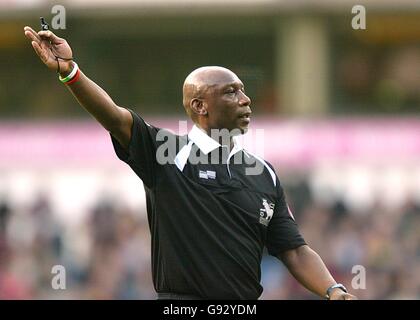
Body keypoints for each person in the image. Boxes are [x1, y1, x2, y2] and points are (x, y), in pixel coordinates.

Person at [23, 25, 357, 300]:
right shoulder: (166, 153)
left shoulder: (265, 173)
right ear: (200, 106)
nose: (245, 99)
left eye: (243, 91)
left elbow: (293, 250)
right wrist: (71, 72)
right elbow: (114, 117)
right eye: (231, 92)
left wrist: (333, 289)